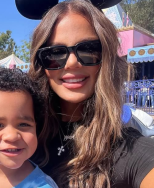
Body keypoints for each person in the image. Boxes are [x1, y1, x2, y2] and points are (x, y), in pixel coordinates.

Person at [28, 1, 154, 188]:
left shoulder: (131, 149)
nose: (71, 63)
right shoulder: (21, 135)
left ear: (107, 59)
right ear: (41, 64)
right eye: (55, 53)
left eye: (88, 50)